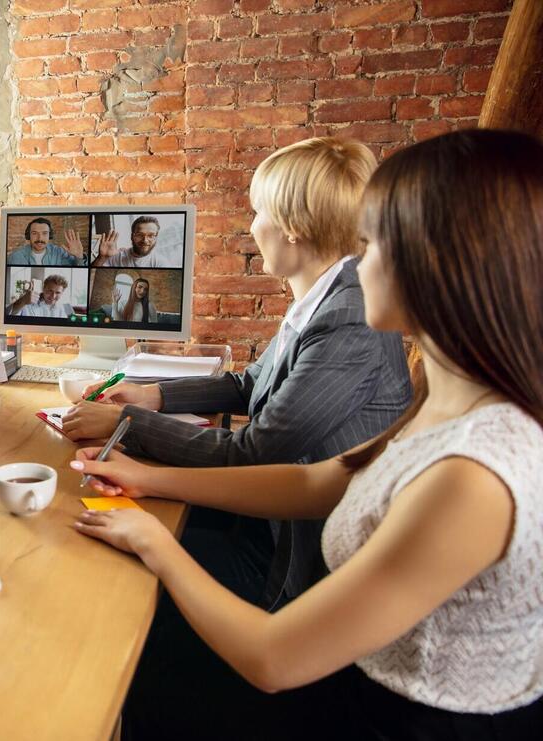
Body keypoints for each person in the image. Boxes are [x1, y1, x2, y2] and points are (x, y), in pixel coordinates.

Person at [71, 128, 543, 740]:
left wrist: (156, 542)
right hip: (355, 685)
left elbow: (275, 658)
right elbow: (320, 479)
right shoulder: (447, 394)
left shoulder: (474, 475)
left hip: (387, 718)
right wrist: (146, 478)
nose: (355, 261)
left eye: (371, 244)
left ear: (437, 265)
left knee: (138, 644)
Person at [63, 137, 412, 736]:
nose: (251, 228)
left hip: (294, 563)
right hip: (277, 521)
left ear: (294, 229)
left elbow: (257, 449)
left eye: (258, 213)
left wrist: (127, 427)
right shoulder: (324, 295)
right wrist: (153, 396)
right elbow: (252, 382)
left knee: (129, 600)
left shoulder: (348, 315)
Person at [91, 215, 179, 268]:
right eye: (140, 235)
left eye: (151, 235)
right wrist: (102, 257)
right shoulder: (117, 256)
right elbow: (90, 276)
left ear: (156, 238)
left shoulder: (161, 263)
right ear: (132, 236)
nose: (145, 240)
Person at [5, 217, 85, 266]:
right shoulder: (15, 257)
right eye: (35, 233)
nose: (40, 238)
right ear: (28, 235)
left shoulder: (59, 252)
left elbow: (79, 271)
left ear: (49, 235)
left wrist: (79, 257)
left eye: (44, 233)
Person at [9, 274, 74, 318]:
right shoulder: (27, 302)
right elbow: (9, 315)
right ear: (43, 288)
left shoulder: (63, 308)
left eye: (58, 293)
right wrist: (23, 301)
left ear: (62, 293)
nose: (53, 296)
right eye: (50, 291)